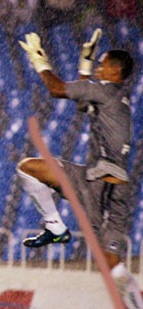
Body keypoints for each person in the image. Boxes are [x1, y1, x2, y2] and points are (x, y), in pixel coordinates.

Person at [18, 30, 142, 308]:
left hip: (105, 186)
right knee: (30, 168)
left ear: (113, 70)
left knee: (112, 268)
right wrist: (85, 67)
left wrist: (40, 61)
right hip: (104, 180)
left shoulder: (105, 91)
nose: (98, 67)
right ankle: (56, 228)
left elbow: (57, 89)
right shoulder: (116, 96)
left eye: (101, 64)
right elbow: (85, 104)